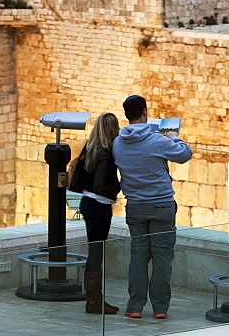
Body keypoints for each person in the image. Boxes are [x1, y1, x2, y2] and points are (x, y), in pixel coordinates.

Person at [112, 94, 192, 320]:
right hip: (161, 206)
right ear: (145, 113)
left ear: (127, 115)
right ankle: (160, 308)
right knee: (162, 257)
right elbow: (185, 154)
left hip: (135, 207)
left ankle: (135, 306)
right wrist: (174, 137)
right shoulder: (157, 141)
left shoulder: (118, 143)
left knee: (138, 256)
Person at [76, 112, 121, 315]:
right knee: (95, 254)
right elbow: (101, 186)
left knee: (95, 252)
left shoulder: (91, 147)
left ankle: (95, 299)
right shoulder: (105, 153)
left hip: (88, 203)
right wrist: (119, 185)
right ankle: (93, 300)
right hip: (98, 206)